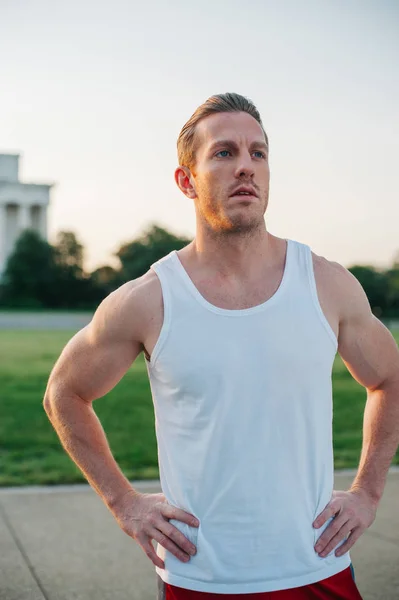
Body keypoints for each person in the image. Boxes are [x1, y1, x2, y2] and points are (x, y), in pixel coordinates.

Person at [43, 93, 399, 600]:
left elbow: (389, 379)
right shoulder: (150, 300)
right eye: (225, 153)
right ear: (186, 180)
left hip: (317, 568)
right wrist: (125, 504)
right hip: (199, 577)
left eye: (258, 153)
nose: (246, 168)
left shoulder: (327, 284)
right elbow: (64, 392)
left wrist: (367, 491)